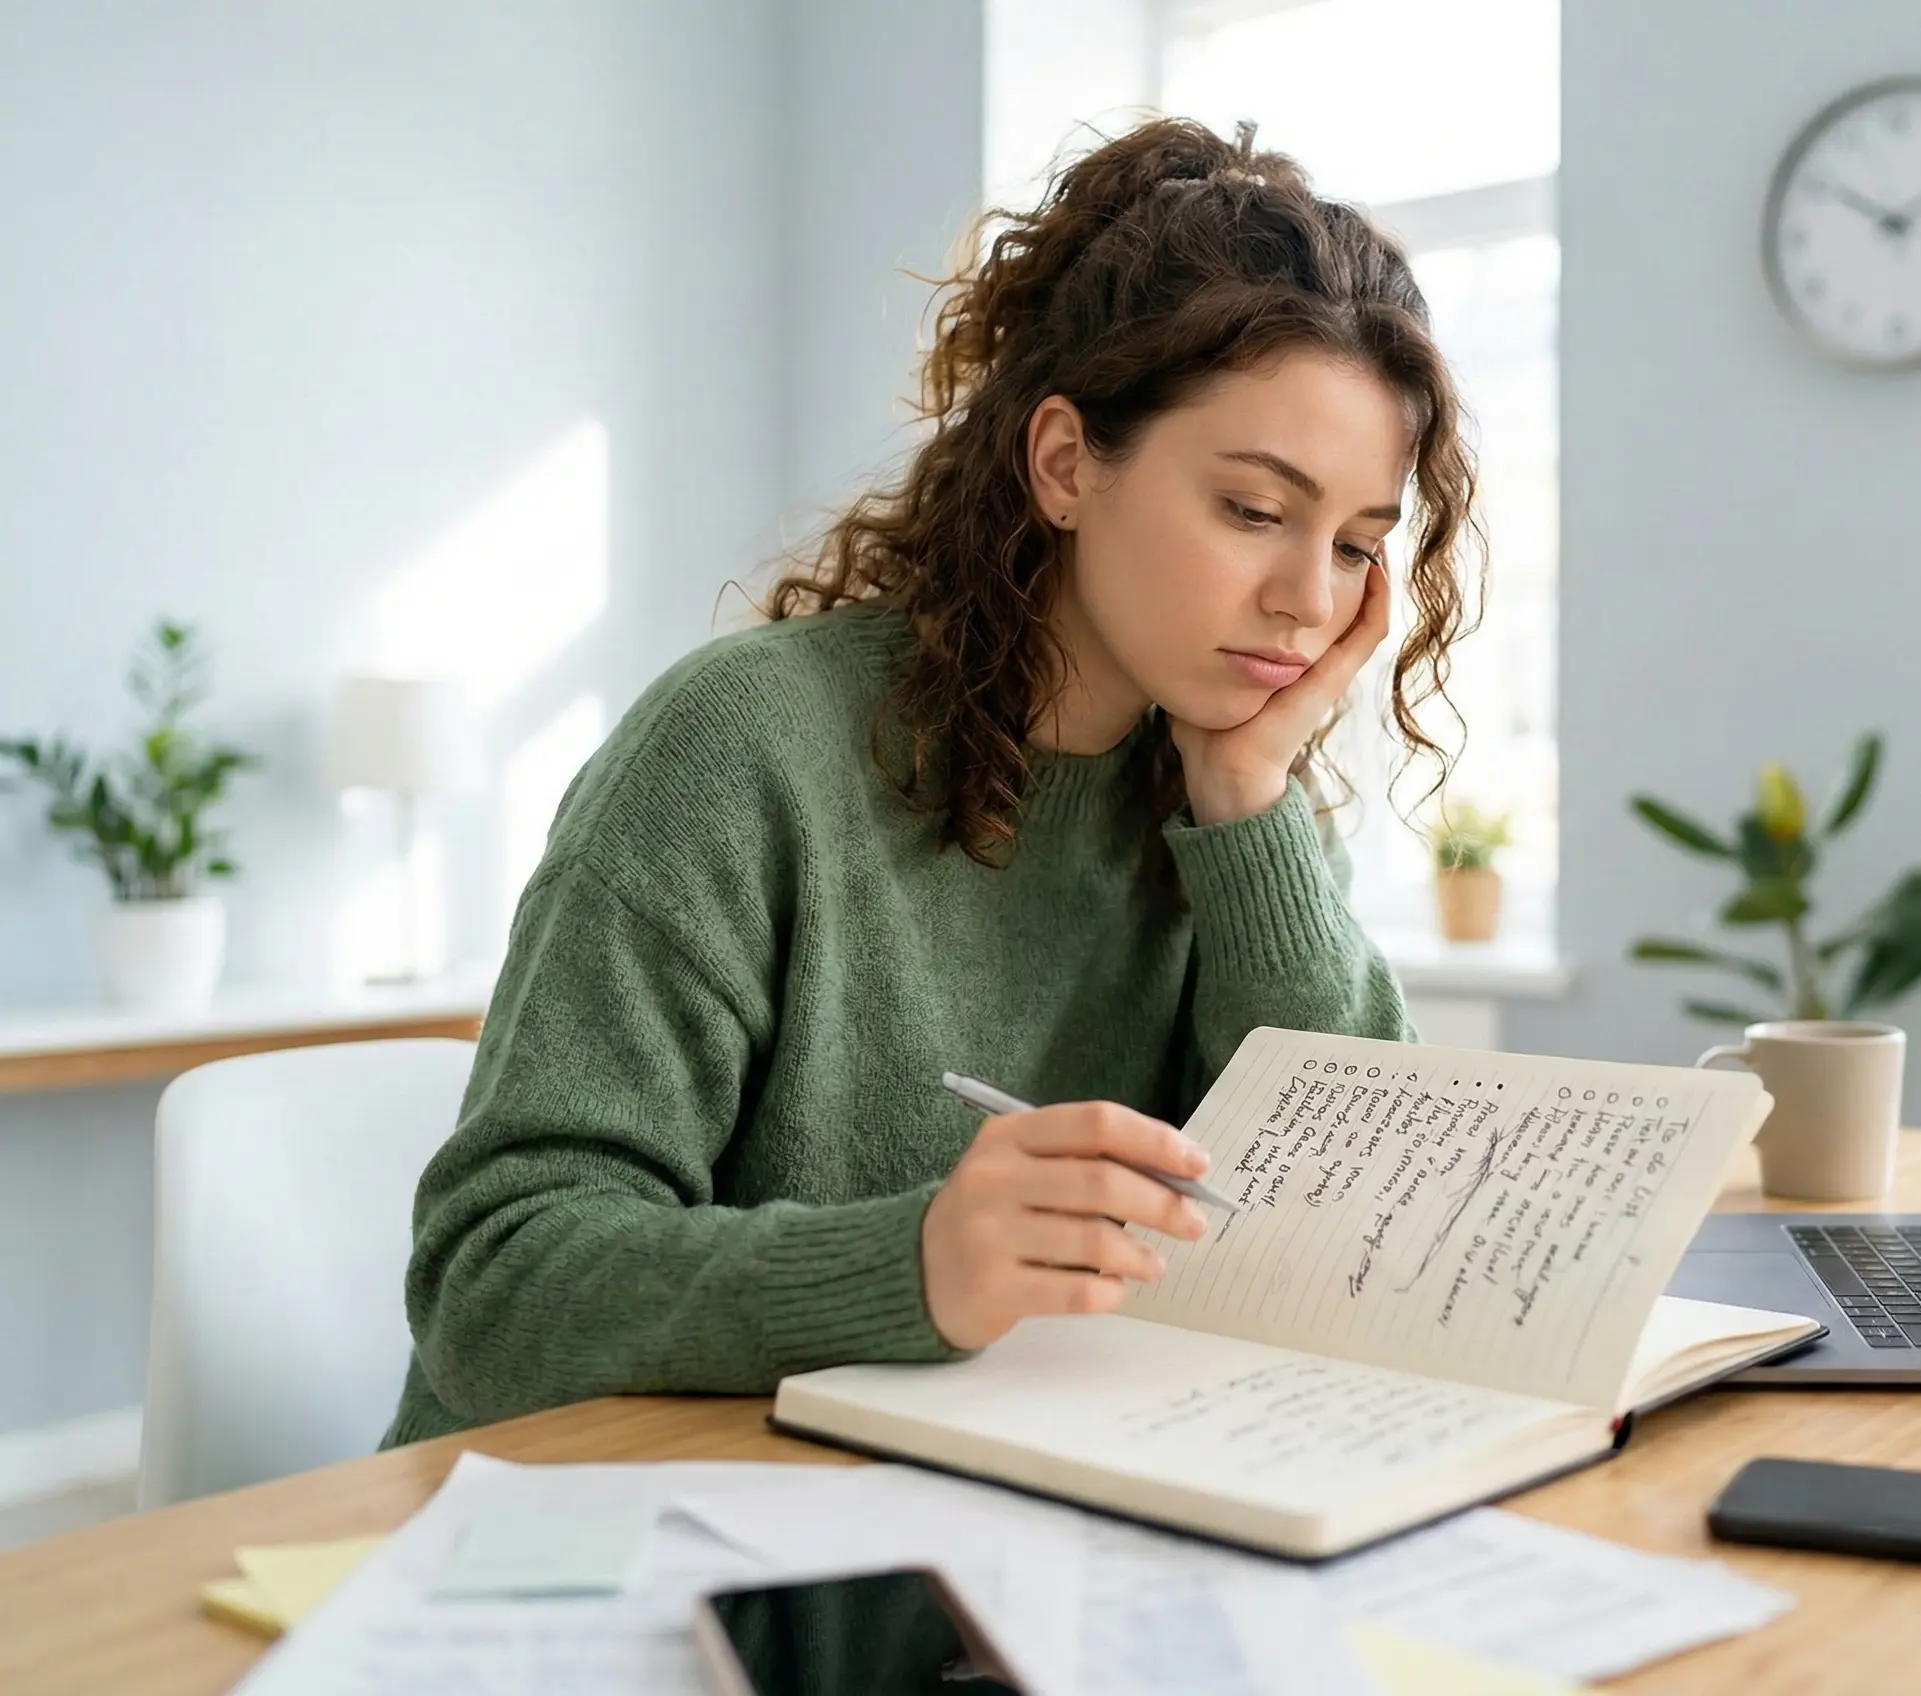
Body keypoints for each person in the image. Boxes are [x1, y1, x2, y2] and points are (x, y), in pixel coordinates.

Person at [383, 118, 1483, 1444]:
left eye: (1359, 545)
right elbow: (492, 1290)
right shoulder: (741, 749)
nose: (1310, 600)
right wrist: (914, 1268)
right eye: (1254, 511)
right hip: (618, 1557)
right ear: (1067, 462)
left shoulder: (1219, 800)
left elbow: (1360, 1235)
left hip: (1001, 1532)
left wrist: (1249, 804)